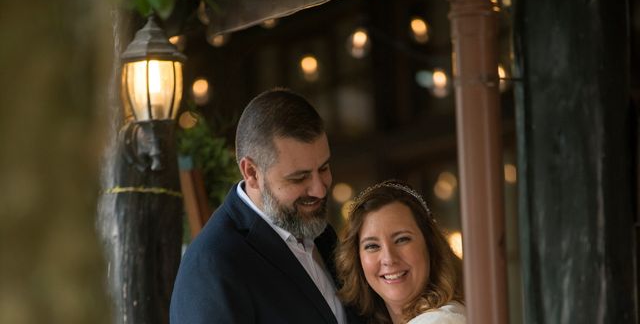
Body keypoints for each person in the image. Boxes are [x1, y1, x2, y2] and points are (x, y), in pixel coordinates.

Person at [170, 88, 361, 324]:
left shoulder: (322, 235)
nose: (319, 189)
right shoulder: (211, 266)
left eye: (323, 168)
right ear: (251, 172)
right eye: (299, 178)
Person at [336, 180, 465, 324]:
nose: (389, 258)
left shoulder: (442, 320)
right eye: (372, 246)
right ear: (356, 258)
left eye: (402, 239)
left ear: (429, 243)